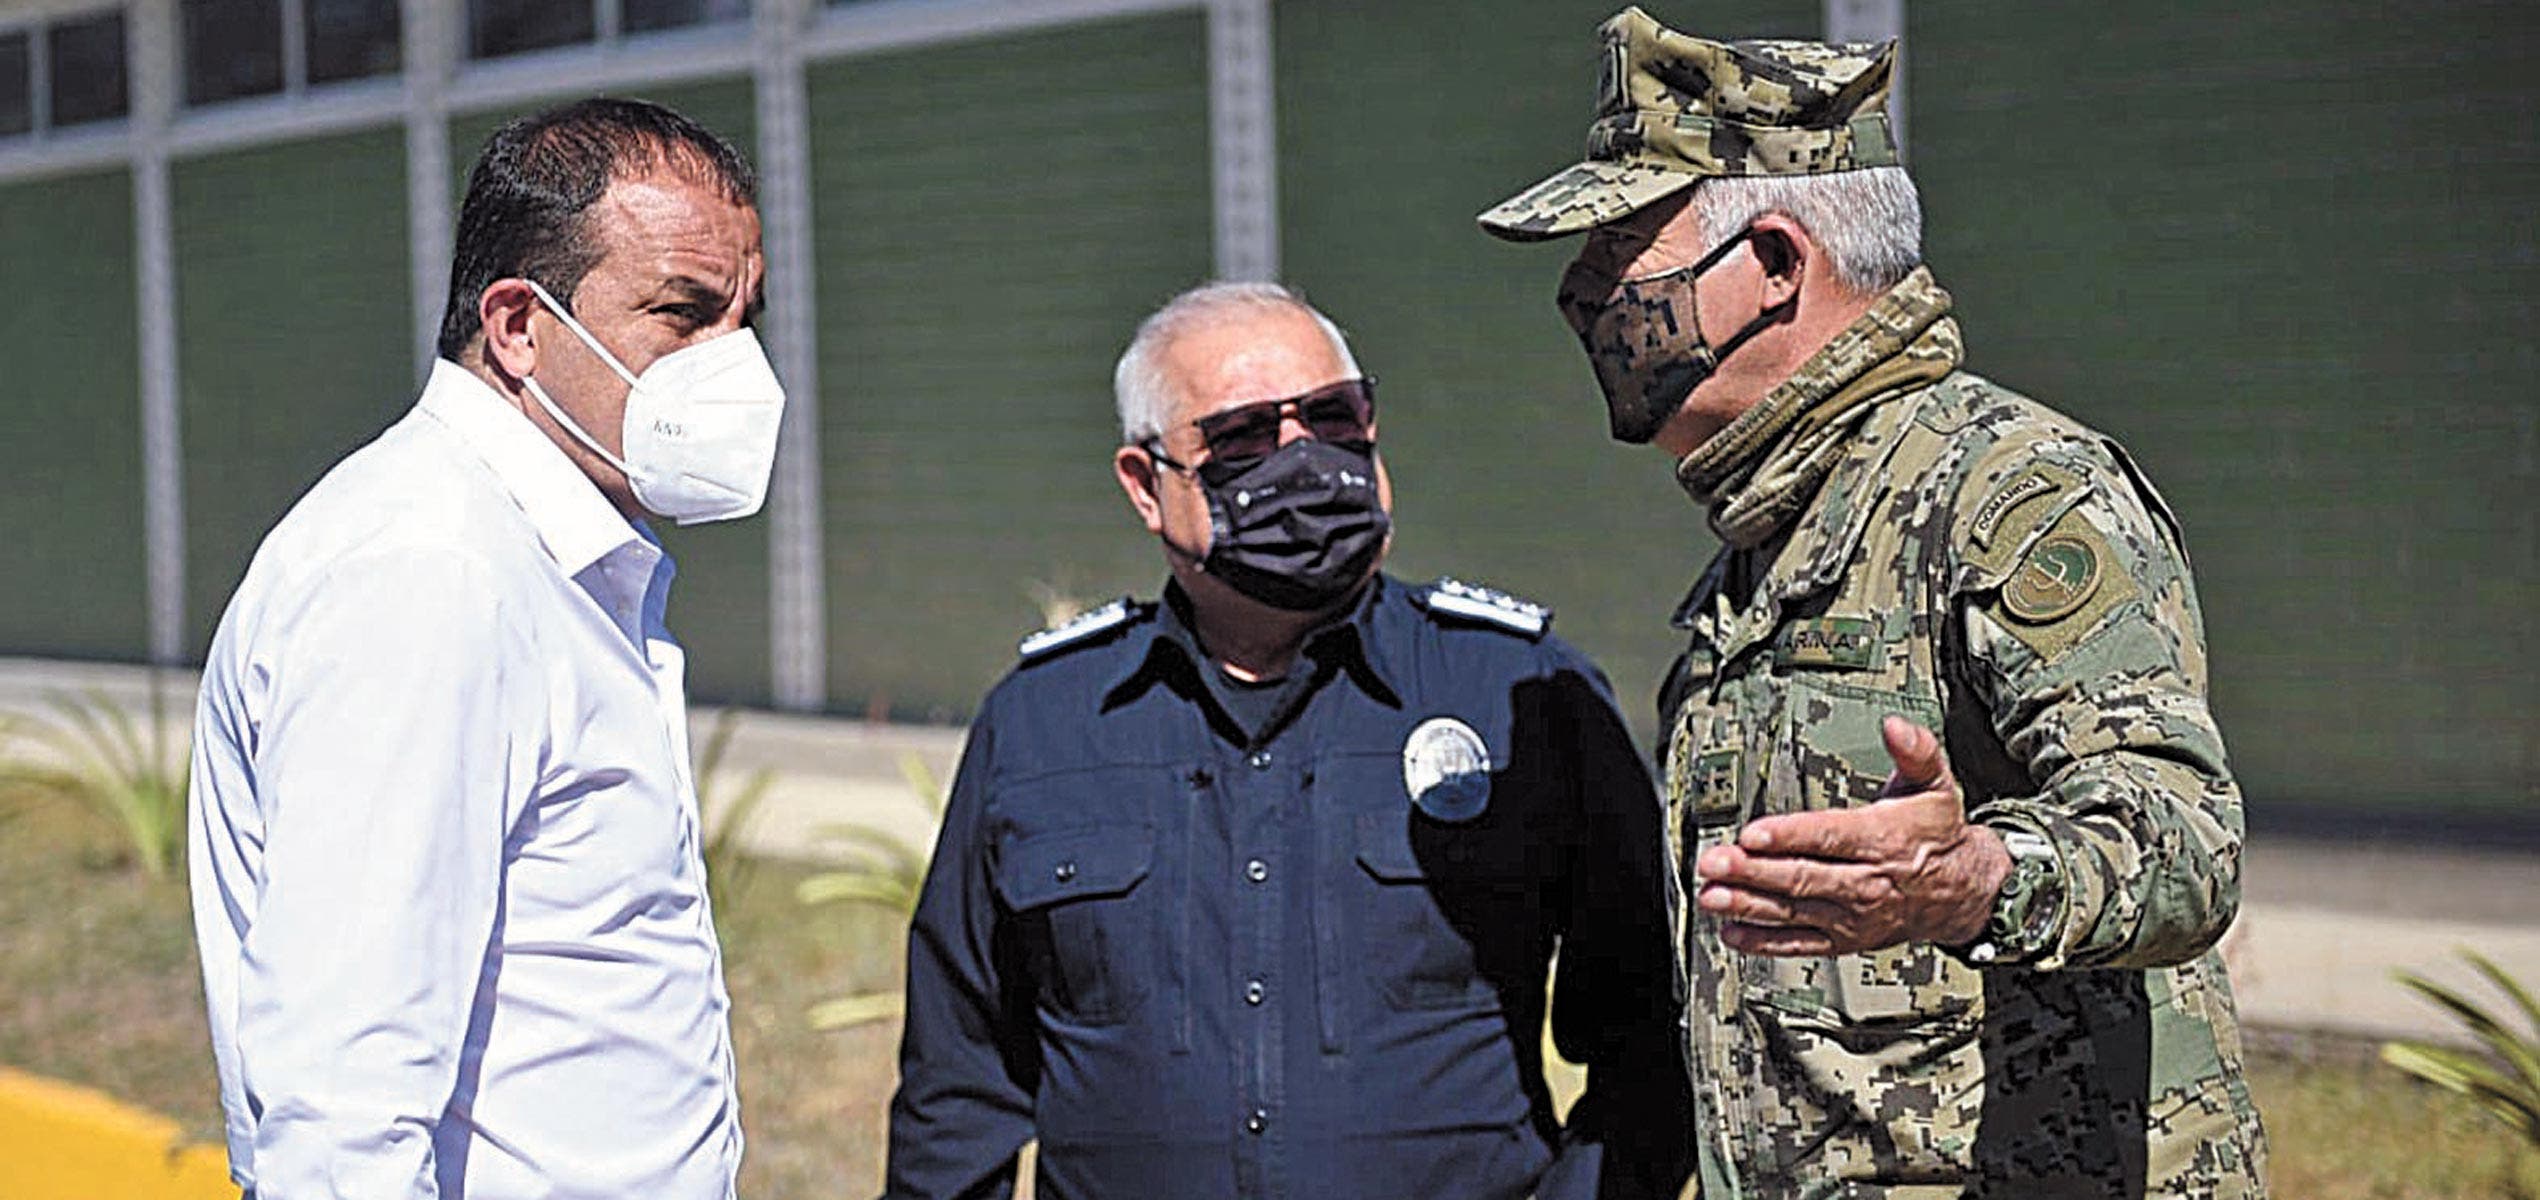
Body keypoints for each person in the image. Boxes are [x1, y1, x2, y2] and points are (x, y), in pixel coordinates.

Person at [1478, 8, 2268, 1197]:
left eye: (1620, 246)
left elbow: (2184, 839)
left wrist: (1973, 878)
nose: (1580, 293)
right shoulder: (1770, 540)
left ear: (1774, 266)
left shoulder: (2006, 493)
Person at [883, 281, 1692, 1200]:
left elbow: (1654, 1034)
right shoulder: (1044, 723)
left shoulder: (1523, 700)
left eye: (1332, 418)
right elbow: (958, 1087)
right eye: (1243, 438)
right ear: (1146, 485)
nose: (1303, 460)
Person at [187, 97, 780, 1199]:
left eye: (746, 318)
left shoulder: (540, 558)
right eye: (683, 313)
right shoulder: (426, 572)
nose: (733, 364)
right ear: (517, 327)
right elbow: (341, 1111)